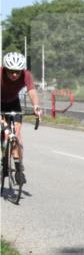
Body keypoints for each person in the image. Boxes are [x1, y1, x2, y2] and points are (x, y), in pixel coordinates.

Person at [1, 52, 42, 185]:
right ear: (5, 69)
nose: (14, 75)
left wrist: (36, 106)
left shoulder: (26, 75)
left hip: (13, 102)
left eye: (17, 72)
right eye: (11, 71)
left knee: (16, 135)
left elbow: (31, 91)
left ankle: (19, 169)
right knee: (3, 131)